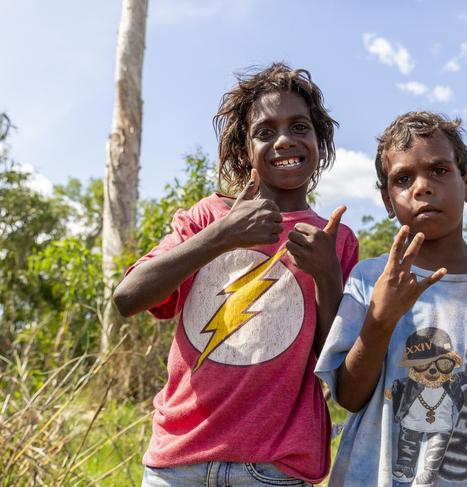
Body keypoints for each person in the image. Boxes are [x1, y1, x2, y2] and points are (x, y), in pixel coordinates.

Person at [113, 63, 359, 487]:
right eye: (265, 131)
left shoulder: (335, 240)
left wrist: (327, 276)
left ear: (319, 141)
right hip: (178, 463)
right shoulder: (208, 217)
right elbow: (128, 298)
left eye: (299, 126)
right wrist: (220, 236)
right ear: (245, 150)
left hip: (274, 469)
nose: (284, 140)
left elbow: (335, 368)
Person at [316, 112, 467, 487]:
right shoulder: (368, 279)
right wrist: (380, 318)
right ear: (387, 200)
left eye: (439, 170)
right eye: (403, 179)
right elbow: (348, 396)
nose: (422, 187)